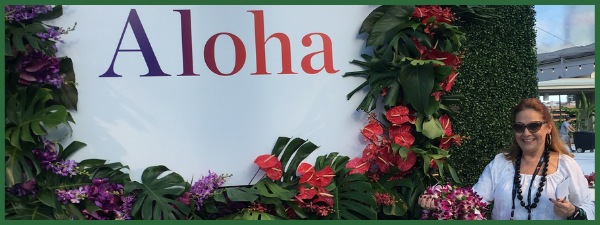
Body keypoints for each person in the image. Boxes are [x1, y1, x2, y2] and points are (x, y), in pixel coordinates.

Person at [418, 98, 594, 220]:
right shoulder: (501, 163)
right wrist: (440, 200)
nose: (526, 133)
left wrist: (572, 211)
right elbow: (472, 200)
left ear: (548, 127)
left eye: (533, 126)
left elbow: (588, 206)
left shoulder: (566, 165)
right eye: (519, 127)